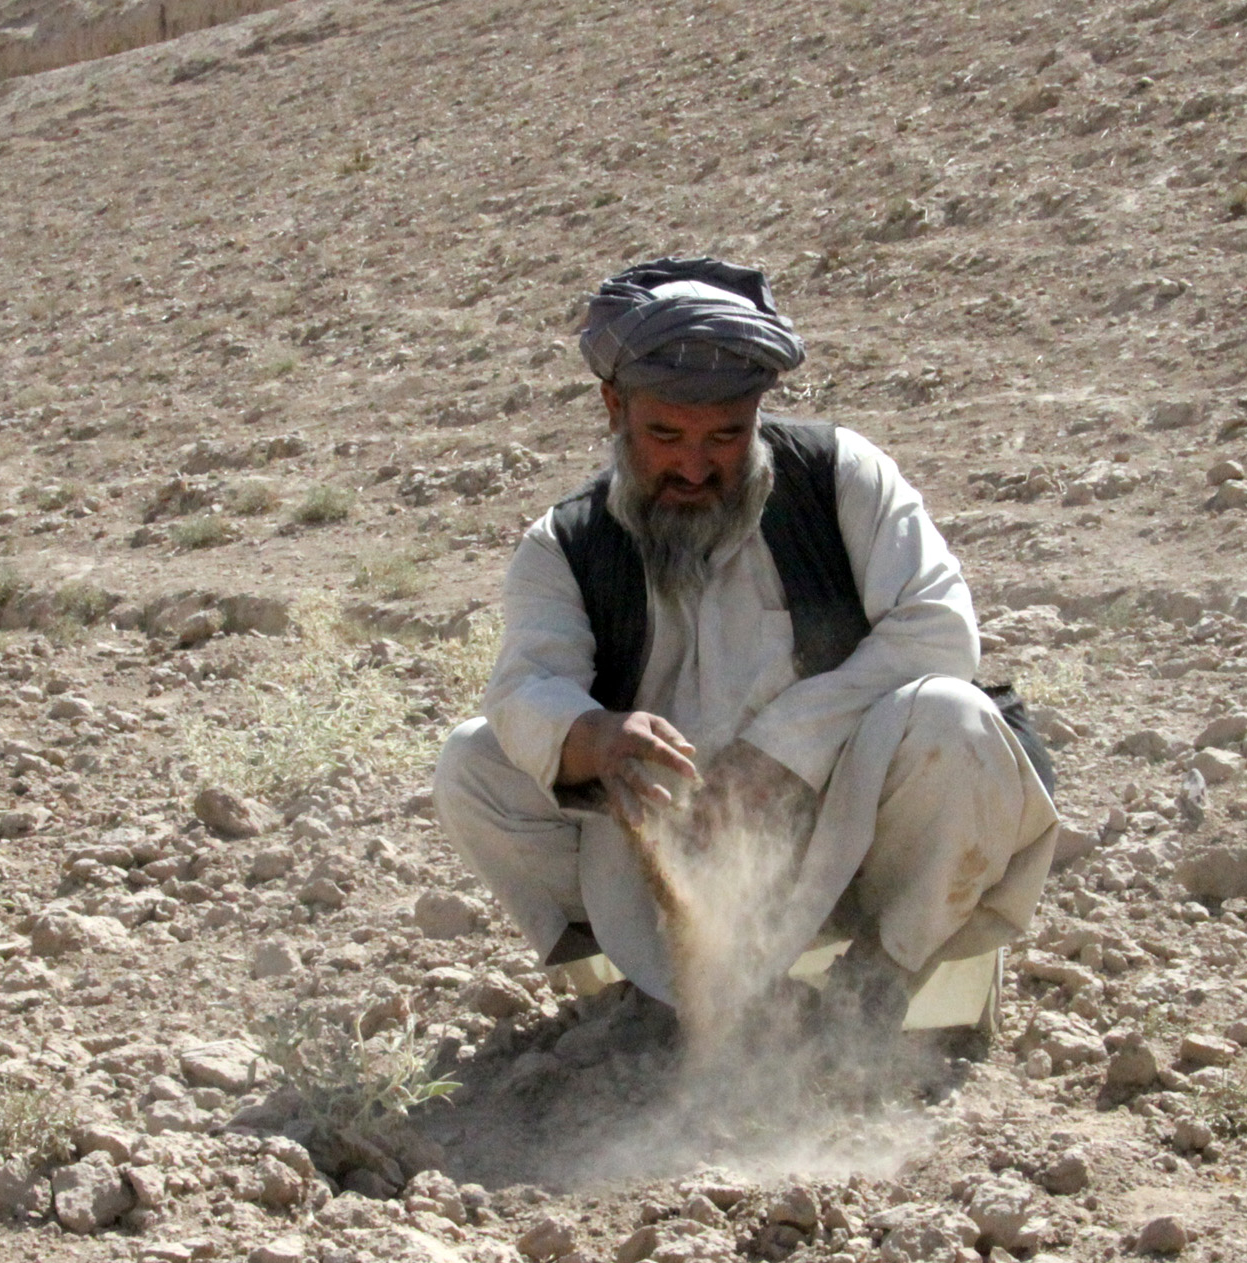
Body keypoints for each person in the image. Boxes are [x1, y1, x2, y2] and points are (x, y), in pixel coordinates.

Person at [433, 256, 1059, 1040]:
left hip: (851, 827)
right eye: (664, 435)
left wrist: (776, 755)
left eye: (725, 436)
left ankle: (875, 992)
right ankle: (637, 1003)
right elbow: (527, 687)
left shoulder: (840, 479)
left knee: (955, 721)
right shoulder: (565, 544)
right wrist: (595, 738)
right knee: (475, 765)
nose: (694, 466)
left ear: (758, 415)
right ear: (612, 408)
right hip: (667, 857)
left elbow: (937, 629)